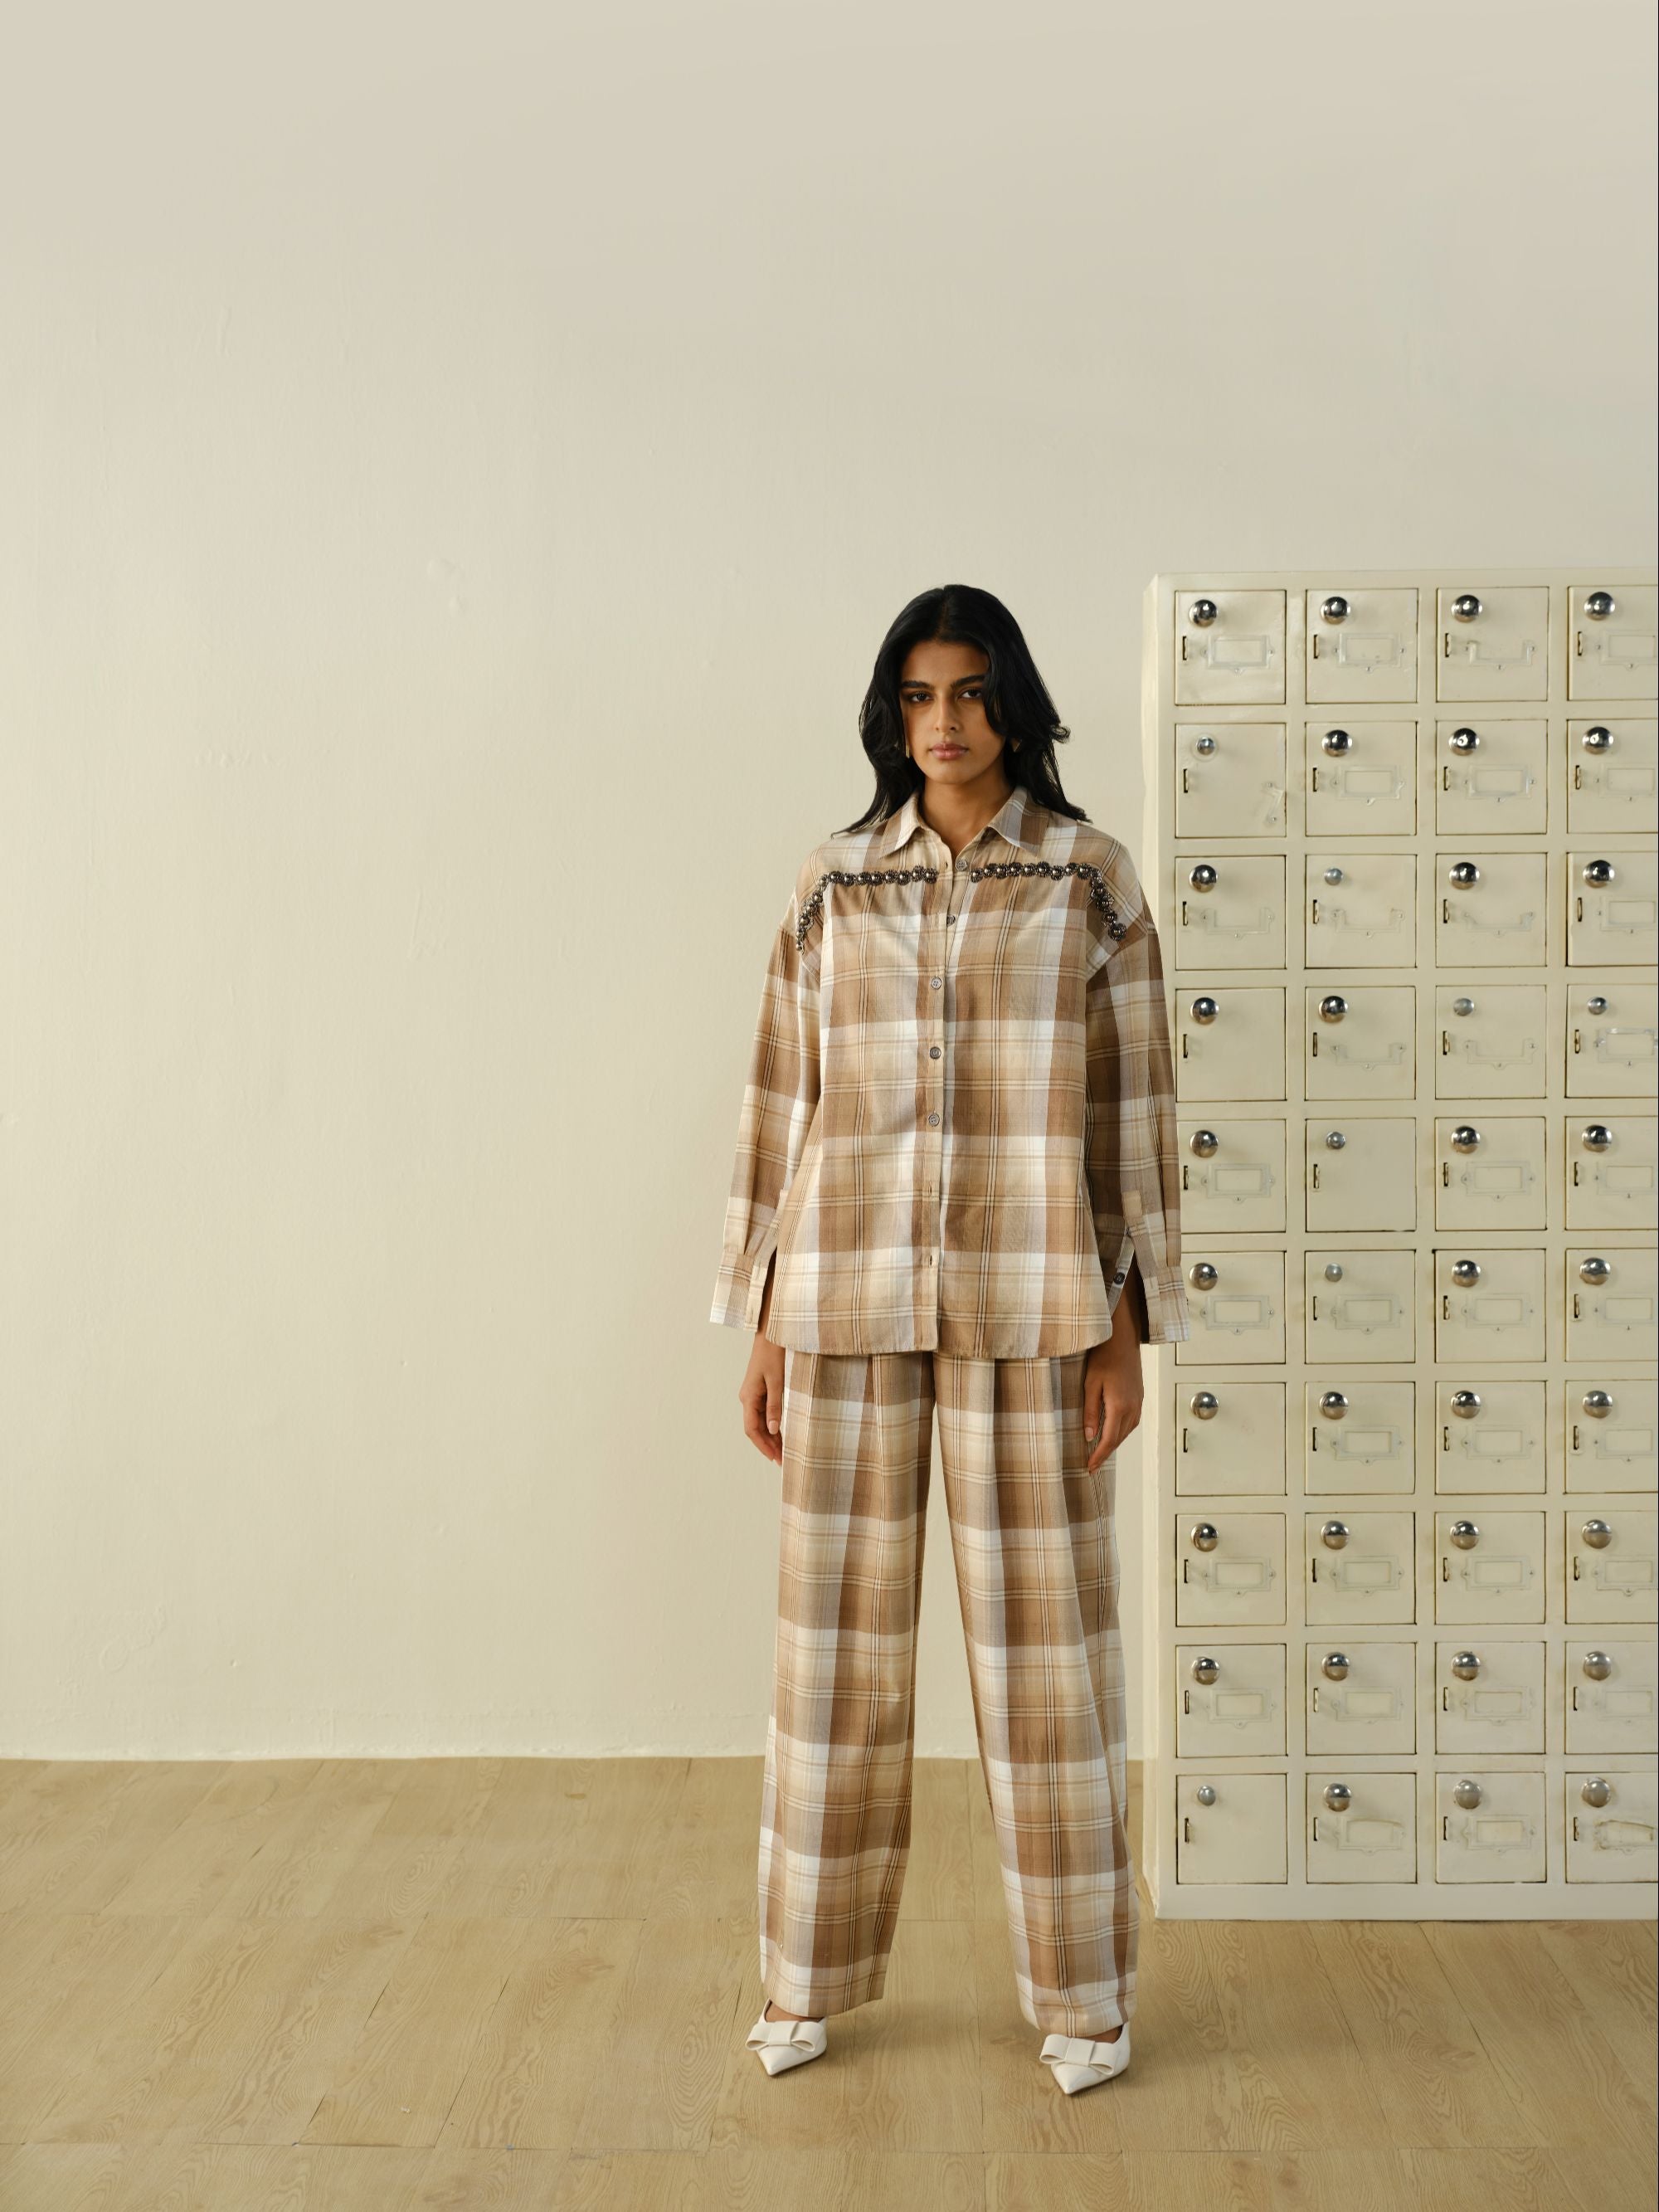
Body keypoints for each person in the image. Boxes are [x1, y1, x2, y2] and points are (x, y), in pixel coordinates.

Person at [710, 583, 1190, 2094]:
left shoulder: (1090, 880)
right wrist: (764, 1315)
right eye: (919, 696)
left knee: (1050, 1671)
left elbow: (1132, 1113)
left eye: (971, 692)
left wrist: (1126, 1328)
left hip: (1034, 1305)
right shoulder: (834, 883)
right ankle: (801, 1981)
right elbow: (784, 1103)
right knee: (833, 1665)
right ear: (890, 714)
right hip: (843, 1302)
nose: (946, 722)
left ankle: (1085, 1997)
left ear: (1014, 705)